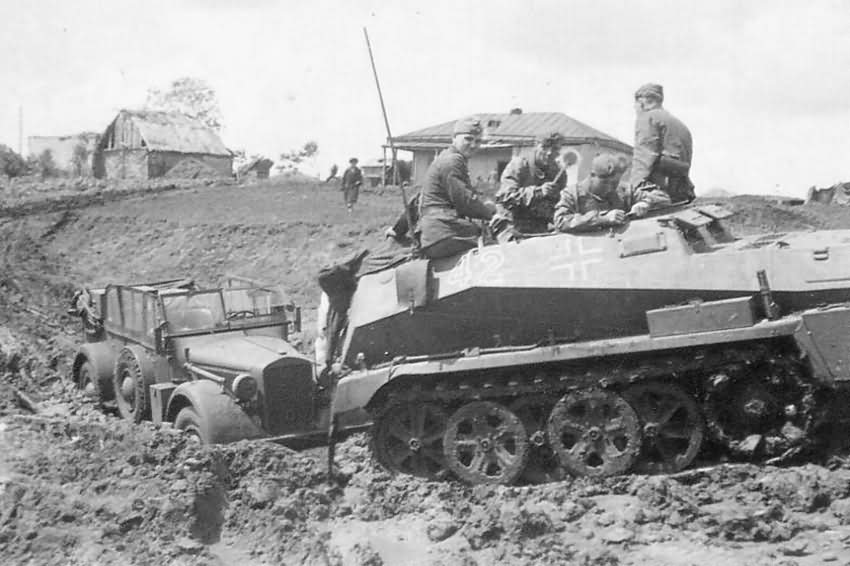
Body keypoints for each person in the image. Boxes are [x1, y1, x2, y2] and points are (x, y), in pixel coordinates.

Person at [416, 116, 496, 259]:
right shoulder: (453, 160)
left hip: (440, 230)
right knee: (494, 249)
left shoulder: (445, 157)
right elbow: (465, 201)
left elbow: (417, 199)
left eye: (478, 141)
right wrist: (491, 213)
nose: (473, 145)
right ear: (454, 138)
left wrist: (397, 230)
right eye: (468, 139)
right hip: (445, 232)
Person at [554, 153, 671, 233]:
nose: (611, 188)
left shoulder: (625, 190)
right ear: (592, 175)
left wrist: (645, 203)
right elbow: (560, 221)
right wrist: (602, 219)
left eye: (615, 183)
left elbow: (664, 199)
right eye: (605, 183)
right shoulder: (571, 194)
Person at [491, 131, 566, 236]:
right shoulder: (519, 165)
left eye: (554, 149)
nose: (549, 152)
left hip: (539, 226)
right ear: (536, 146)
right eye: (545, 147)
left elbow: (560, 204)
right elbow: (505, 196)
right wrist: (538, 192)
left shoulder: (558, 173)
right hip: (511, 224)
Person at [630, 83, 695, 203]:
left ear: (643, 102)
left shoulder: (648, 118)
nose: (635, 108)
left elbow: (643, 156)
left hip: (658, 192)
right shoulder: (679, 124)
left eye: (636, 104)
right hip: (681, 191)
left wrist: (634, 188)